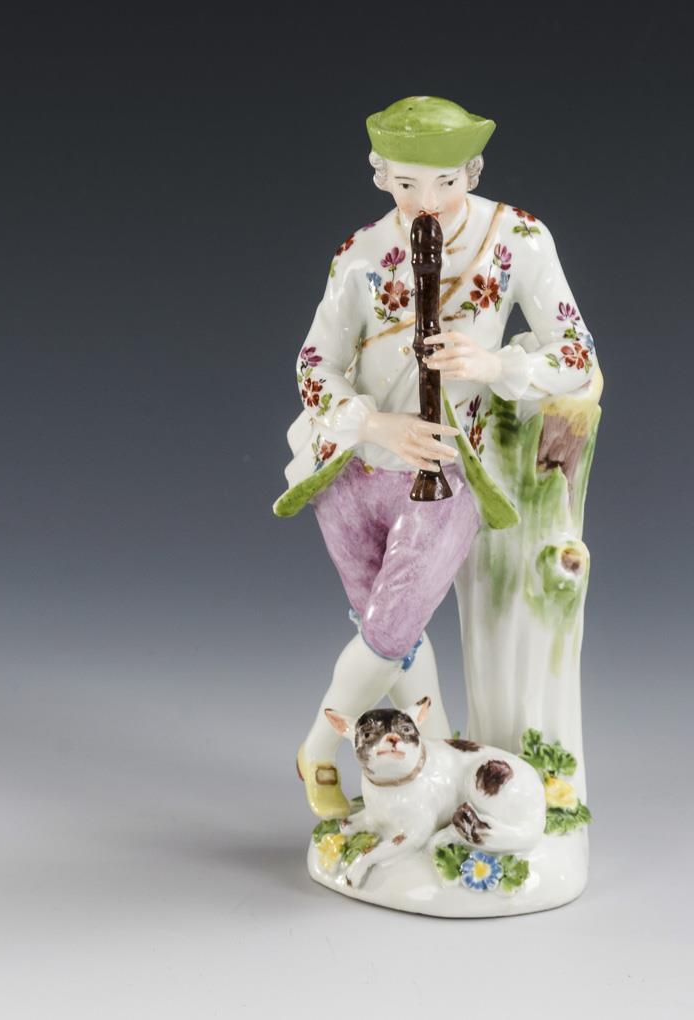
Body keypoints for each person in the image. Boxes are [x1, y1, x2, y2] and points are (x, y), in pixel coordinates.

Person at [274, 96, 600, 818]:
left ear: (473, 171)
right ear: (380, 174)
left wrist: (495, 366)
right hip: (353, 471)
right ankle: (442, 758)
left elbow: (577, 355)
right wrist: (373, 424)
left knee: (389, 630)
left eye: (446, 182)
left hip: (445, 473)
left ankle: (317, 749)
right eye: (406, 184)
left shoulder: (516, 238)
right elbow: (312, 366)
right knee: (394, 635)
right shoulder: (360, 253)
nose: (427, 202)